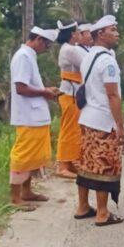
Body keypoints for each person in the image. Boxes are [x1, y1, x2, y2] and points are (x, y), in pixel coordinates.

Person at [76, 15, 124, 226]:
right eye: (112, 30)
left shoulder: (88, 56)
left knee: (87, 163)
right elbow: (112, 95)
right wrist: (120, 126)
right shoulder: (107, 60)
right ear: (100, 34)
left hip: (87, 117)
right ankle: (103, 213)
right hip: (103, 121)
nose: (117, 33)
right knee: (104, 166)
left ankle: (83, 206)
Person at [9, 26, 60, 209]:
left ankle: (26, 191)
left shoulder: (29, 56)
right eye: (46, 45)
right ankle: (15, 198)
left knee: (33, 157)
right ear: (38, 39)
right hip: (27, 116)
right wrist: (45, 92)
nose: (46, 49)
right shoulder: (23, 56)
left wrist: (45, 90)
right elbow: (21, 88)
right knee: (23, 156)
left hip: (35, 115)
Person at [55, 21, 86, 178]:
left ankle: (71, 160)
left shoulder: (71, 48)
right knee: (68, 129)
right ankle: (62, 165)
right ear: (73, 34)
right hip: (69, 94)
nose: (80, 34)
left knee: (75, 129)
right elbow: (87, 63)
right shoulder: (70, 50)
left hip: (73, 93)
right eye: (78, 31)